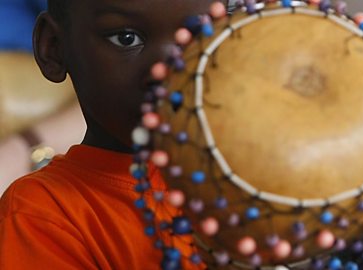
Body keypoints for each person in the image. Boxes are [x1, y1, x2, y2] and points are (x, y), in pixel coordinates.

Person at [0, 0, 213, 268]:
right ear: (53, 47)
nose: (166, 72)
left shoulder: (243, 173)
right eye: (126, 38)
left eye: (196, 36)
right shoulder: (42, 214)